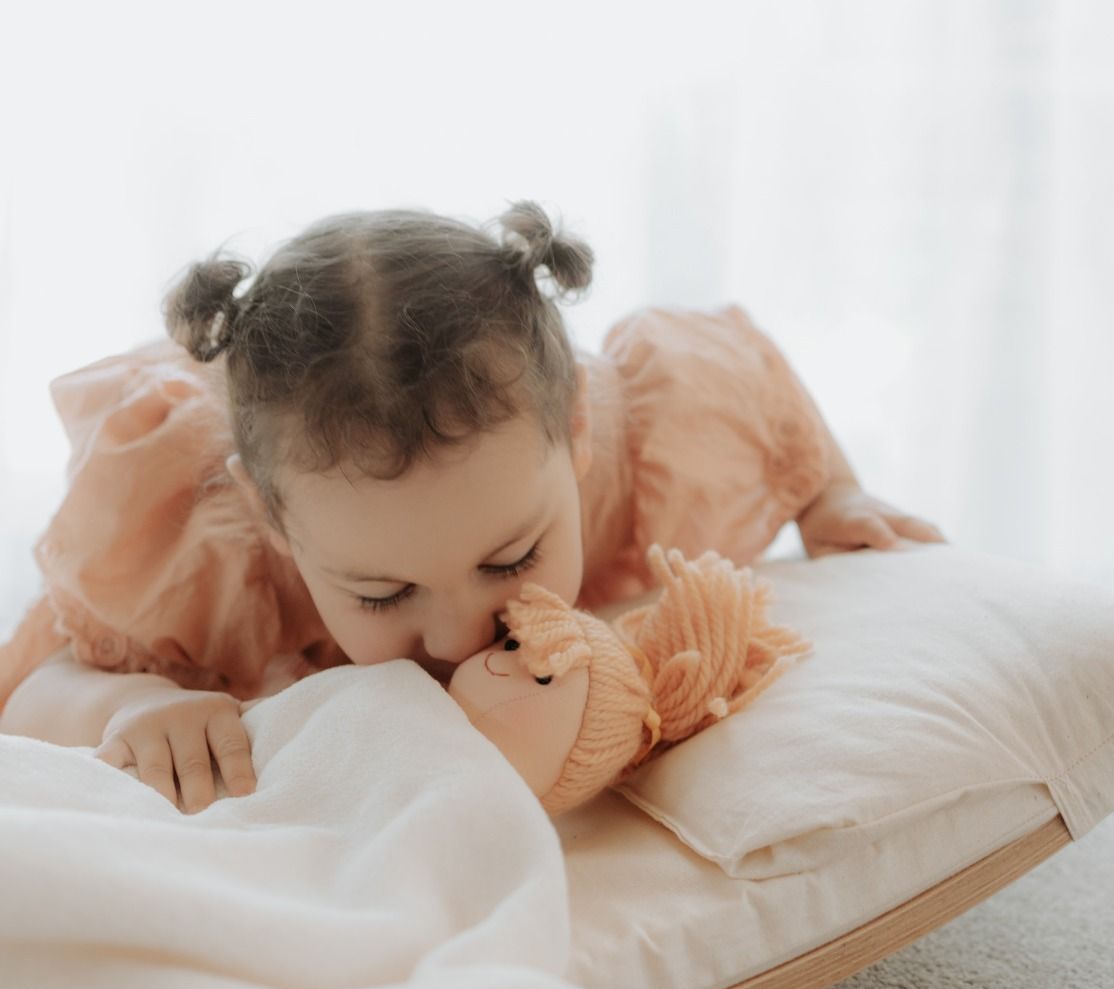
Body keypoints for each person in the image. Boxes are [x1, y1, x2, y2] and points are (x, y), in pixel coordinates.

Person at [0, 200, 945, 815]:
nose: (458, 634)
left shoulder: (644, 450)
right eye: (380, 593)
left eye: (511, 558)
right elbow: (37, 689)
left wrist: (831, 492)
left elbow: (755, 384)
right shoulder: (214, 549)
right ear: (276, 520)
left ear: (575, 430)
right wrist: (137, 705)